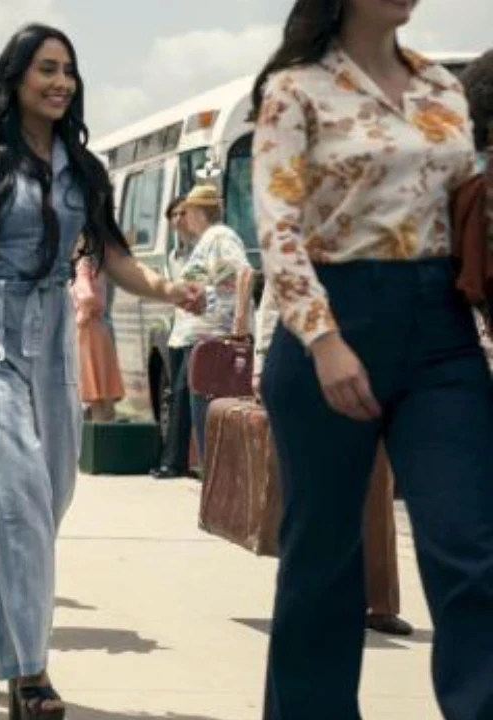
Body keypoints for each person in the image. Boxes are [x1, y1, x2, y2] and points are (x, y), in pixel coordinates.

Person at [0, 24, 201, 719]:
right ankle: (30, 673)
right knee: (16, 498)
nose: (61, 82)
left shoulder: (83, 167)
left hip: (52, 338)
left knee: (48, 498)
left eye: (68, 70)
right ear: (14, 77)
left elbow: (112, 255)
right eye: (46, 69)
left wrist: (167, 289)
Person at [252, 1, 493, 716]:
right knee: (323, 561)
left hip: (442, 329)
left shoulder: (440, 87)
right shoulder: (295, 89)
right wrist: (324, 341)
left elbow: (468, 215)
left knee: (471, 546)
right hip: (333, 317)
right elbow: (278, 227)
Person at [254, 284, 413, 637]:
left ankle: (380, 603)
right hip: (306, 368)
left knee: (376, 491)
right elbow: (274, 301)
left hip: (376, 368)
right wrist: (261, 363)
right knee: (314, 495)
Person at [173, 184, 253, 460]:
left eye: (185, 212)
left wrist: (239, 324)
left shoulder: (220, 237)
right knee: (202, 418)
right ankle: (212, 477)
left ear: (197, 212)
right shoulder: (208, 240)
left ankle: (217, 478)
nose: (183, 219)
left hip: (215, 339)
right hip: (202, 337)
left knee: (209, 418)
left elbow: (244, 273)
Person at [152, 196, 193, 478]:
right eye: (174, 215)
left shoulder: (204, 249)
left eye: (183, 213)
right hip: (178, 332)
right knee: (177, 396)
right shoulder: (173, 256)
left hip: (196, 332)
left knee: (182, 392)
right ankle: (173, 458)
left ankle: (174, 462)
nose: (178, 219)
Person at [71, 255, 124, 421]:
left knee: (94, 393)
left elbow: (86, 296)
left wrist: (79, 318)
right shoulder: (99, 265)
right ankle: (106, 432)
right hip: (100, 329)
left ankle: (96, 433)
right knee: (103, 391)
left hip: (87, 331)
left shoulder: (83, 264)